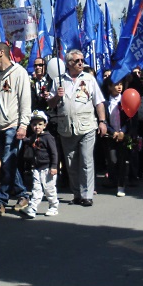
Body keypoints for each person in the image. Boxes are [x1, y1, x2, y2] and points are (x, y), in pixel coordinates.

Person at [48, 49, 107, 206]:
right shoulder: (58, 80)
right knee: (71, 163)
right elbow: (51, 104)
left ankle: (87, 195)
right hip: (67, 128)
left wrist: (102, 121)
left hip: (87, 126)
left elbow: (98, 102)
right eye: (77, 61)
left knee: (86, 160)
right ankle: (77, 194)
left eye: (82, 60)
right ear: (69, 63)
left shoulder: (89, 79)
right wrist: (56, 96)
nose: (81, 63)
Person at [0, 43, 32, 216]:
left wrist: (23, 125)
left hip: (12, 125)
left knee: (8, 162)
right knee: (7, 163)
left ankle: (1, 200)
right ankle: (22, 194)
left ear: (2, 53)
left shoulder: (19, 73)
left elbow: (25, 101)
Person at [21, 110, 59, 218]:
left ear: (45, 125)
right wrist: (22, 138)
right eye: (34, 124)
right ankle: (32, 209)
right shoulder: (34, 136)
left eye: (40, 124)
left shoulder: (48, 137)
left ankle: (53, 207)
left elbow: (54, 153)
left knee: (49, 189)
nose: (37, 127)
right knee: (36, 189)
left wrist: (54, 166)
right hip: (37, 168)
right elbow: (28, 141)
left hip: (48, 168)